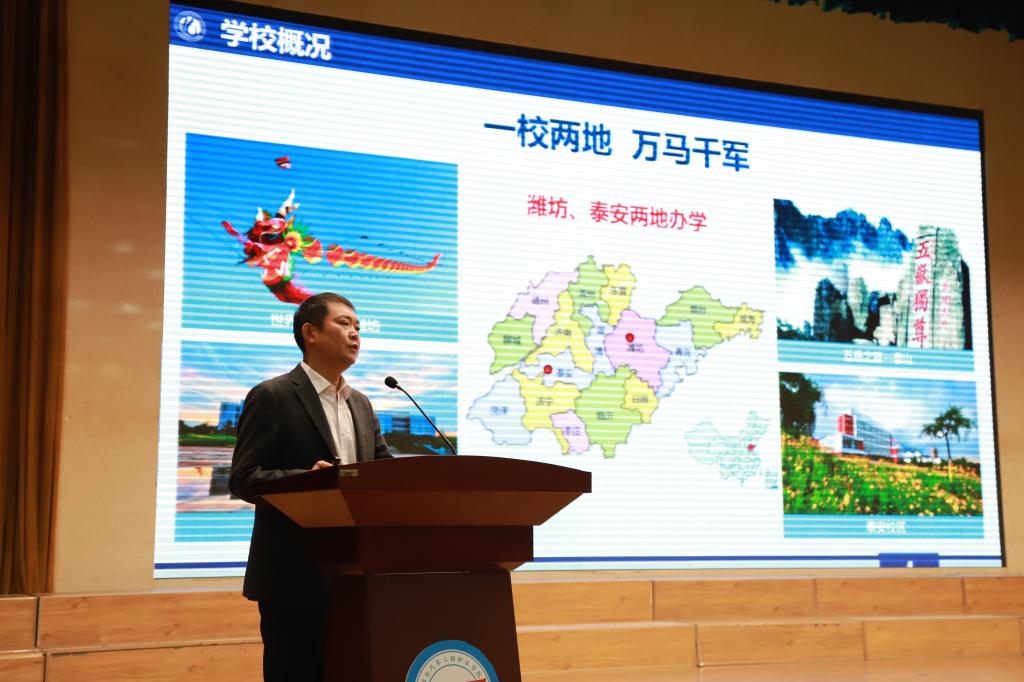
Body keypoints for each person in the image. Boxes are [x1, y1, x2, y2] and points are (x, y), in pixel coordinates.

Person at [230, 292, 392, 682]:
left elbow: (383, 472)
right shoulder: (273, 396)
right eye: (344, 323)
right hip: (294, 576)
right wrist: (306, 481)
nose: (355, 333)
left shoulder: (361, 404)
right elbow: (244, 478)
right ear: (310, 333)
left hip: (355, 574)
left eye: (358, 326)